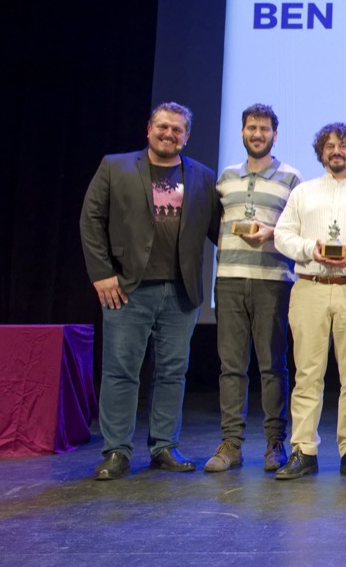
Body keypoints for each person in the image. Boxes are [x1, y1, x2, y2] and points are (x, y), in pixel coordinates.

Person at [80, 101, 220, 480]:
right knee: (121, 372)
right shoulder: (116, 166)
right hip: (127, 288)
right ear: (149, 129)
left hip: (181, 291)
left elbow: (220, 231)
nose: (168, 134)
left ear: (186, 137)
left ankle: (163, 446)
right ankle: (116, 451)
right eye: (162, 127)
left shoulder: (204, 177)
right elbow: (90, 220)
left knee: (173, 372)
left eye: (177, 130)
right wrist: (102, 273)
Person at [272, 122, 346, 480]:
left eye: (344, 146)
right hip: (310, 286)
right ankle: (304, 450)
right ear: (321, 151)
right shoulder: (303, 193)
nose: (337, 151)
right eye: (330, 145)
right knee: (307, 375)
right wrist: (310, 250)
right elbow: (283, 236)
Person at [205, 104, 303, 474]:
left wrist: (273, 233)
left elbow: (298, 227)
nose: (257, 134)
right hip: (229, 279)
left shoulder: (291, 178)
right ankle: (231, 443)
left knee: (273, 366)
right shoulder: (226, 177)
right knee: (231, 366)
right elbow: (214, 225)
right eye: (251, 128)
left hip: (273, 280)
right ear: (243, 132)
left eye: (264, 129)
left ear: (275, 134)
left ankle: (275, 442)